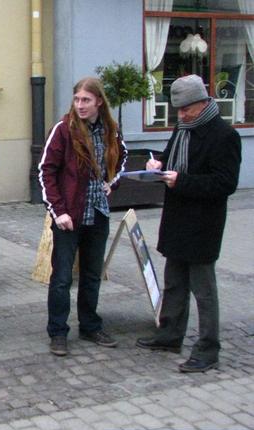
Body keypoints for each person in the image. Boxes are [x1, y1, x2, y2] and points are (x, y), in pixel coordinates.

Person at [136, 74, 241, 373]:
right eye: (178, 110)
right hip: (177, 218)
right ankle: (169, 334)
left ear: (203, 102)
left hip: (203, 224)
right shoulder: (183, 129)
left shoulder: (224, 135)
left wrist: (182, 181)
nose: (181, 115)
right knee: (174, 283)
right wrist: (158, 166)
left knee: (204, 290)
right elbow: (171, 160)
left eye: (186, 109)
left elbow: (225, 183)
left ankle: (208, 349)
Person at [38, 77, 127, 357]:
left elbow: (121, 157)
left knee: (91, 275)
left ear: (99, 101)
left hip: (97, 213)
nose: (80, 105)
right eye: (77, 99)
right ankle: (58, 332)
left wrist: (111, 183)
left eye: (86, 100)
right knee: (62, 277)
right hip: (69, 216)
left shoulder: (111, 130)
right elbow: (45, 171)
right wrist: (59, 211)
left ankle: (90, 326)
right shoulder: (63, 130)